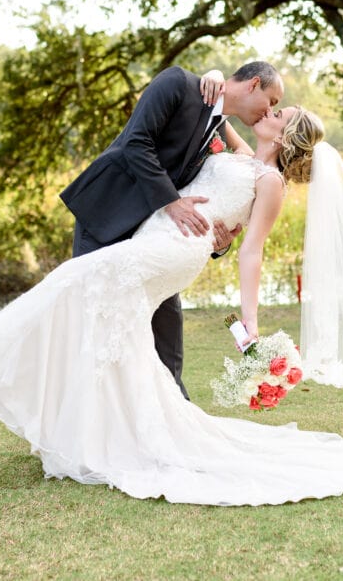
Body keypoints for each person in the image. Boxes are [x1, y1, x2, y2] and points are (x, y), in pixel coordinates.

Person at [0, 103, 343, 506]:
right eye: (273, 107)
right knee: (121, 333)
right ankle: (103, 437)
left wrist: (249, 320)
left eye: (279, 114)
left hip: (176, 249)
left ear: (287, 134)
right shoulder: (244, 157)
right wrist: (212, 79)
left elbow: (252, 249)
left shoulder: (270, 181)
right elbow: (217, 115)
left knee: (73, 277)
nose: (270, 113)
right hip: (159, 231)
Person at [59, 62, 283, 399]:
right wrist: (171, 203)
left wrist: (219, 240)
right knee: (93, 321)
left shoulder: (222, 131)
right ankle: (79, 420)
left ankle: (175, 419)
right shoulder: (178, 84)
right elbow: (136, 142)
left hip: (158, 239)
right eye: (272, 99)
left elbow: (225, 191)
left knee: (168, 337)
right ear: (253, 84)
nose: (271, 110)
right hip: (109, 214)